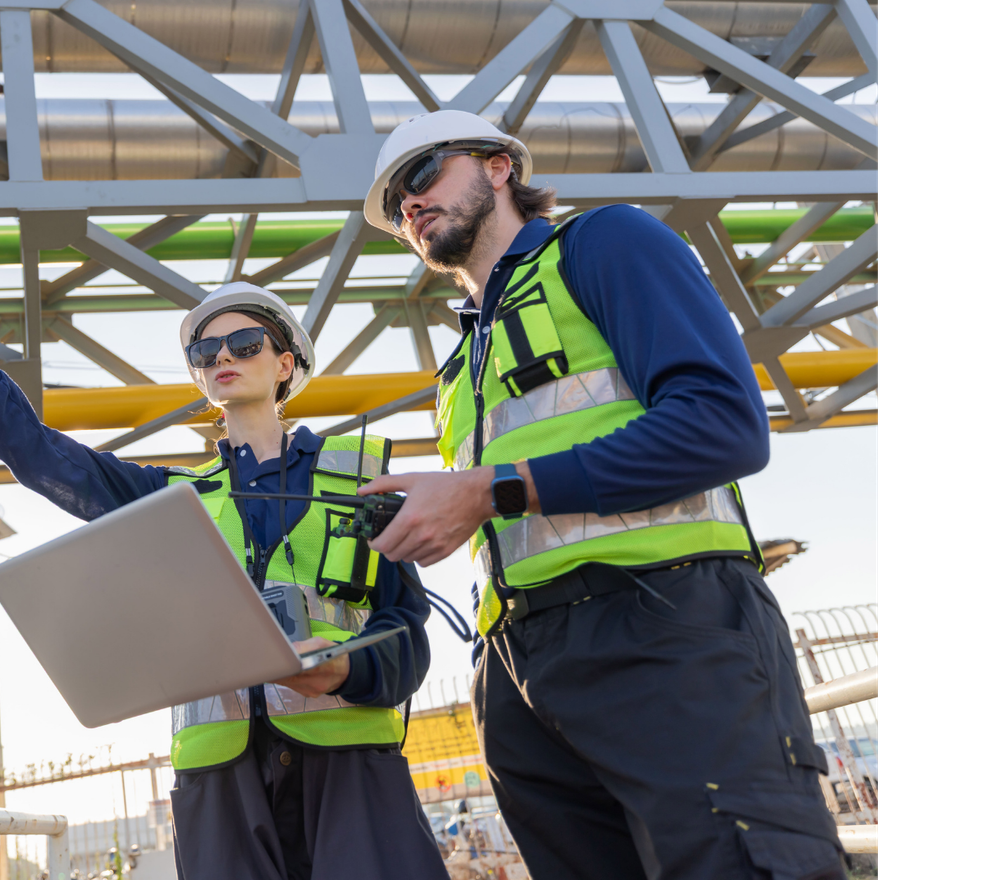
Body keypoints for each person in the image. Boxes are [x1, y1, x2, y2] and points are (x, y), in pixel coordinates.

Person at [0, 222, 448, 880]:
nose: (222, 355)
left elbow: (408, 631)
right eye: (205, 349)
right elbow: (38, 454)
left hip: (350, 767)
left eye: (245, 342)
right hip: (219, 778)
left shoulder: (357, 482)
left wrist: (342, 670)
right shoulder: (172, 499)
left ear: (285, 364)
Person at [353, 110, 846, 879]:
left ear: (496, 166)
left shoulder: (604, 243)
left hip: (663, 629)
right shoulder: (459, 372)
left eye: (420, 176)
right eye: (393, 207)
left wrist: (490, 489)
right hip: (519, 672)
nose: (408, 206)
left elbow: (725, 426)